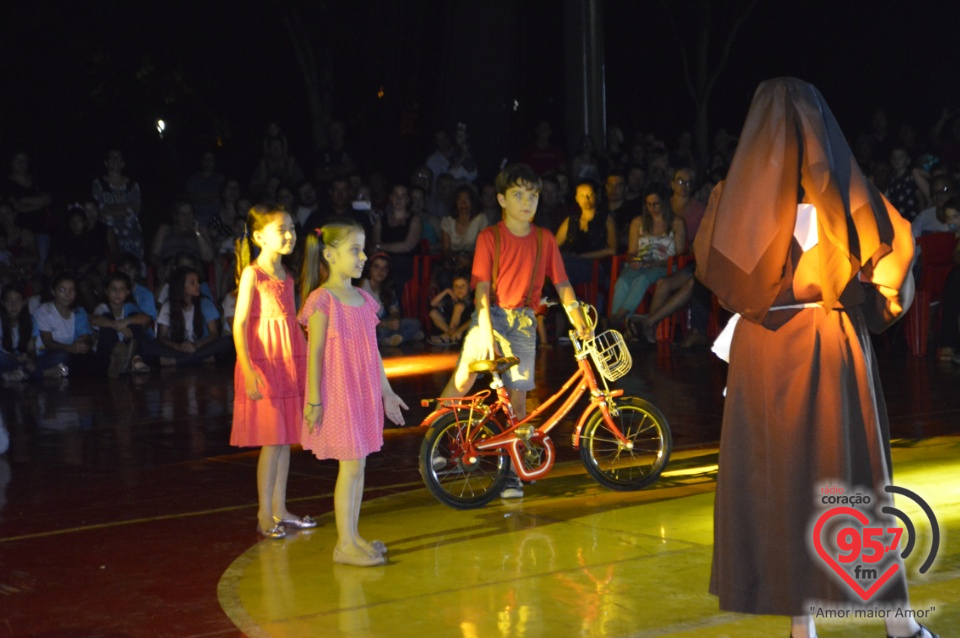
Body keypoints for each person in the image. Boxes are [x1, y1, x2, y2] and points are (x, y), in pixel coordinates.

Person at [695, 77, 937, 638]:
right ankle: (898, 625)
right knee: (850, 481)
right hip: (828, 347)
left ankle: (803, 629)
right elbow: (895, 260)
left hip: (764, 353)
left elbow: (718, 275)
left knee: (781, 484)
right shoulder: (849, 196)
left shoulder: (730, 197)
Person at [439, 163, 590, 499]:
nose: (527, 201)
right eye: (518, 195)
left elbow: (561, 282)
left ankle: (511, 473)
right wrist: (486, 333)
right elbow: (480, 291)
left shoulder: (544, 238)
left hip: (522, 320)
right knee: (463, 379)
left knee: (517, 401)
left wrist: (578, 319)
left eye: (533, 195)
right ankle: (438, 438)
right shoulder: (489, 236)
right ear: (502, 200)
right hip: (490, 315)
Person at [298, 220, 408, 567]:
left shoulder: (363, 298)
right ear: (329, 255)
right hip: (339, 392)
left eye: (363, 249)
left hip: (362, 392)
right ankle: (343, 545)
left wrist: (386, 392)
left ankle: (354, 535)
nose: (362, 257)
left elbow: (373, 351)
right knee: (349, 468)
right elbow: (315, 353)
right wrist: (314, 400)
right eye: (355, 250)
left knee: (358, 466)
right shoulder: (322, 300)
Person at [230, 203, 313, 539]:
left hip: (288, 364)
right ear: (259, 236)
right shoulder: (253, 274)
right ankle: (265, 513)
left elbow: (291, 324)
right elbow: (238, 325)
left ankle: (280, 508)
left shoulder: (287, 276)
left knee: (284, 441)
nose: (290, 234)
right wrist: (248, 370)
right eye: (282, 229)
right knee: (271, 441)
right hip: (263, 366)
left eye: (292, 227)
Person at [608, 184, 686, 327]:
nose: (652, 208)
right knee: (623, 281)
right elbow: (632, 252)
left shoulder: (676, 223)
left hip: (664, 266)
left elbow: (679, 255)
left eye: (656, 204)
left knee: (642, 279)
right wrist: (636, 260)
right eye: (649, 204)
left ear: (664, 202)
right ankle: (618, 323)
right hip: (642, 263)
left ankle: (619, 316)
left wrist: (658, 263)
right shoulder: (638, 222)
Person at [155, 266, 232, 366]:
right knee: (152, 346)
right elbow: (162, 337)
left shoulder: (205, 303)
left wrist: (197, 345)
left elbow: (214, 333)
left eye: (198, 282)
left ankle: (178, 362)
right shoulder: (168, 306)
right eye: (192, 283)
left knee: (226, 342)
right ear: (181, 286)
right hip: (177, 348)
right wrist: (178, 346)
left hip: (200, 347)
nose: (198, 285)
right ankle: (202, 359)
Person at [90, 273, 152, 377]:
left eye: (122, 289)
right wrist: (115, 326)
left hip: (128, 349)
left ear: (127, 292)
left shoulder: (130, 307)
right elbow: (94, 320)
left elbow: (146, 318)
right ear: (106, 291)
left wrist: (126, 321)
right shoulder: (102, 308)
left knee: (134, 318)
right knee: (106, 317)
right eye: (113, 289)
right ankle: (117, 360)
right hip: (106, 354)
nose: (117, 293)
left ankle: (136, 359)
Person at [0, 284, 66, 382]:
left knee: (62, 355)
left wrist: (28, 360)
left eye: (18, 301)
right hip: (7, 359)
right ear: (3, 303)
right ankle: (43, 373)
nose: (13, 305)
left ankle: (19, 374)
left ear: (24, 302)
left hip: (22, 360)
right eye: (9, 301)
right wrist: (14, 357)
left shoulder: (29, 320)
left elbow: (31, 349)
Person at [33, 272, 94, 376]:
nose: (68, 295)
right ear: (53, 291)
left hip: (70, 351)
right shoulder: (44, 311)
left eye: (72, 290)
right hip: (45, 354)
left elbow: (85, 336)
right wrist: (68, 348)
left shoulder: (79, 311)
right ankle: (42, 373)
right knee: (62, 355)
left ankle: (55, 371)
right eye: (62, 290)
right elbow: (47, 342)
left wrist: (84, 344)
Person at [359, 252, 423, 347]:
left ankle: (394, 339)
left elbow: (395, 311)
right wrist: (385, 324)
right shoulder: (363, 285)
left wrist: (394, 320)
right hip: (370, 327)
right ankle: (404, 337)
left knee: (415, 323)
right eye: (377, 267)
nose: (380, 271)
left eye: (384, 268)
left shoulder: (388, 287)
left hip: (386, 325)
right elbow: (363, 318)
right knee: (375, 333)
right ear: (370, 268)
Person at [91, 149, 144, 261]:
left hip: (131, 234)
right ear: (106, 163)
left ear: (123, 163)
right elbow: (101, 210)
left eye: (118, 158)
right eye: (112, 157)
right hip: (109, 232)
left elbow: (136, 209)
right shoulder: (99, 184)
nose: (115, 160)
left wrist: (112, 209)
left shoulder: (132, 184)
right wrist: (126, 206)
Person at [427, 271, 472, 346]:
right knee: (433, 312)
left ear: (469, 288)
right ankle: (450, 334)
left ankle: (448, 337)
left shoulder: (471, 301)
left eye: (463, 286)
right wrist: (446, 291)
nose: (459, 289)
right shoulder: (451, 299)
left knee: (459, 306)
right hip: (449, 327)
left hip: (462, 327)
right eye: (456, 286)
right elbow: (433, 303)